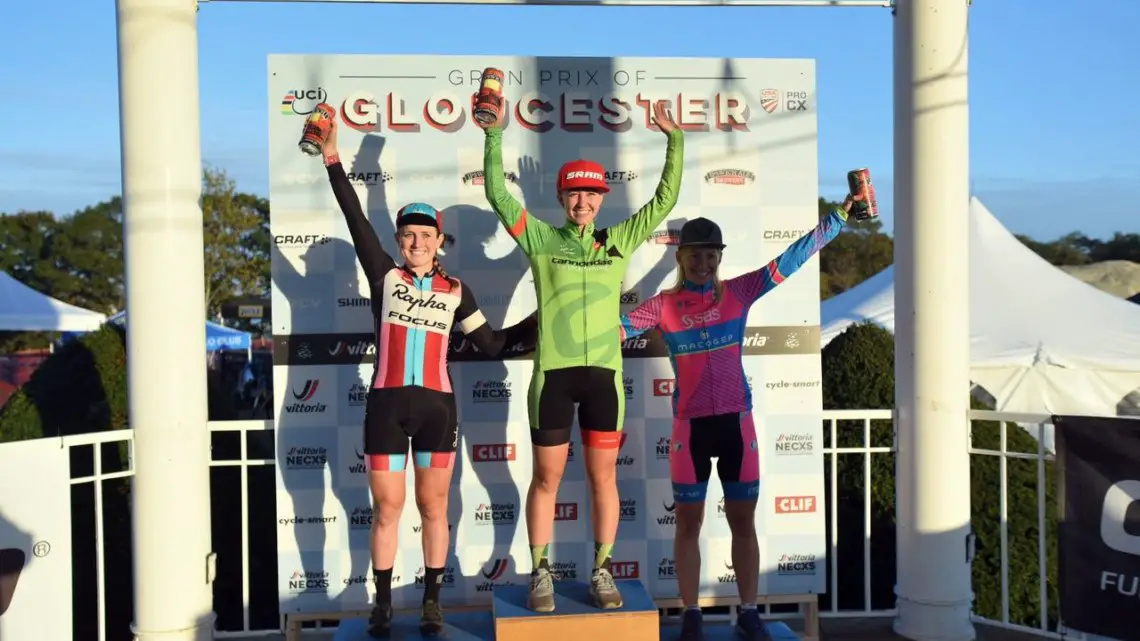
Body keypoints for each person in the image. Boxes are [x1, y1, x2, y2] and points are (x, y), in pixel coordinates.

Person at [319, 117, 538, 638]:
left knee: (433, 505)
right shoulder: (384, 275)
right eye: (409, 234)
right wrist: (334, 158)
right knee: (388, 508)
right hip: (387, 408)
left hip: (439, 408)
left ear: (440, 242)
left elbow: (491, 344)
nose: (417, 242)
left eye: (426, 235)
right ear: (399, 239)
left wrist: (544, 315)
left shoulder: (457, 290)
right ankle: (382, 605)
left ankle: (432, 602)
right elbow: (356, 217)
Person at [618, 196, 864, 641]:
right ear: (681, 257)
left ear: (719, 257)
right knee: (688, 526)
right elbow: (612, 330)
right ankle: (691, 612)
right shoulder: (663, 305)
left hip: (736, 426)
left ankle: (748, 610)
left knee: (743, 523)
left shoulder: (739, 292)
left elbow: (790, 260)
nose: (703, 262)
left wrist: (839, 217)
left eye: (711, 254)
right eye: (695, 254)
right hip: (690, 430)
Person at [476, 98, 684, 612]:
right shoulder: (543, 239)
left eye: (592, 193)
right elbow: (499, 196)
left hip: (604, 379)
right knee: (545, 478)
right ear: (563, 197)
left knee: (602, 479)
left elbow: (663, 201)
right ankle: (540, 571)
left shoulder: (619, 238)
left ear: (601, 198)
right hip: (553, 376)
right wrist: (495, 135)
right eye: (575, 193)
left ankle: (602, 570)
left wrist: (674, 140)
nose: (583, 201)